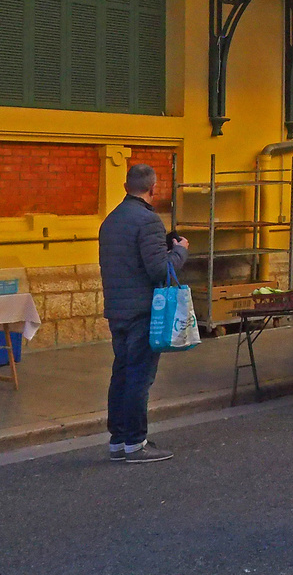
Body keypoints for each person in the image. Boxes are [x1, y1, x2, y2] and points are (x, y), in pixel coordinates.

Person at [99, 162, 188, 464]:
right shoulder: (148, 221)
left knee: (121, 373)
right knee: (139, 377)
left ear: (126, 188)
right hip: (141, 310)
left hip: (117, 309)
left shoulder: (110, 221)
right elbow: (158, 270)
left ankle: (118, 440)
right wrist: (180, 252)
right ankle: (136, 443)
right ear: (153, 189)